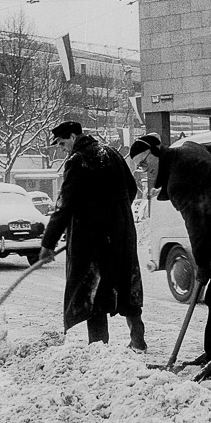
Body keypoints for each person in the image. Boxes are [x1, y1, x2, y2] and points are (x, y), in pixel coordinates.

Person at [130, 133, 211, 377]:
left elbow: (196, 227)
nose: (144, 171)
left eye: (145, 164)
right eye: (140, 167)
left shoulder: (178, 181)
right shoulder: (188, 147)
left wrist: (201, 265)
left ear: (157, 153)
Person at [39, 121, 147, 351]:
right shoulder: (112, 153)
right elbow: (131, 188)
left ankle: (98, 347)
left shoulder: (78, 161)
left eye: (62, 142)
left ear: (73, 136)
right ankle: (137, 339)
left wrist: (48, 243)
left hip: (93, 241)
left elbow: (65, 205)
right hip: (122, 235)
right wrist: (117, 215)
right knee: (126, 283)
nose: (61, 148)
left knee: (93, 292)